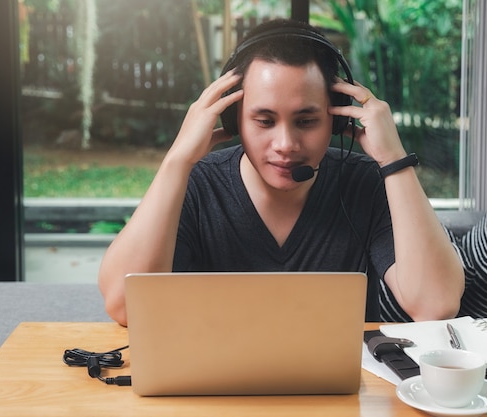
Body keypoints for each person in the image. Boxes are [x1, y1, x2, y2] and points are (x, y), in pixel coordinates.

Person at [98, 18, 464, 327]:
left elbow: (435, 305)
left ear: (337, 118)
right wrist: (178, 160)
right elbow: (124, 306)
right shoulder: (196, 186)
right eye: (264, 120)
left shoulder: (365, 182)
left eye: (306, 120)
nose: (286, 143)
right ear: (233, 118)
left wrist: (393, 160)